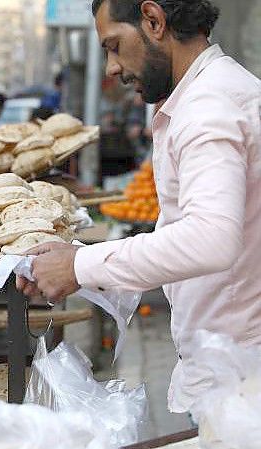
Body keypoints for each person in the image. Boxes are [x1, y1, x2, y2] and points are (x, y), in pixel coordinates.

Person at [17, 0, 261, 415]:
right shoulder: (209, 94)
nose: (113, 67)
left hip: (241, 380)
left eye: (114, 45)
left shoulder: (208, 108)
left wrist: (80, 266)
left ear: (153, 20)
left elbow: (210, 239)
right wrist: (87, 269)